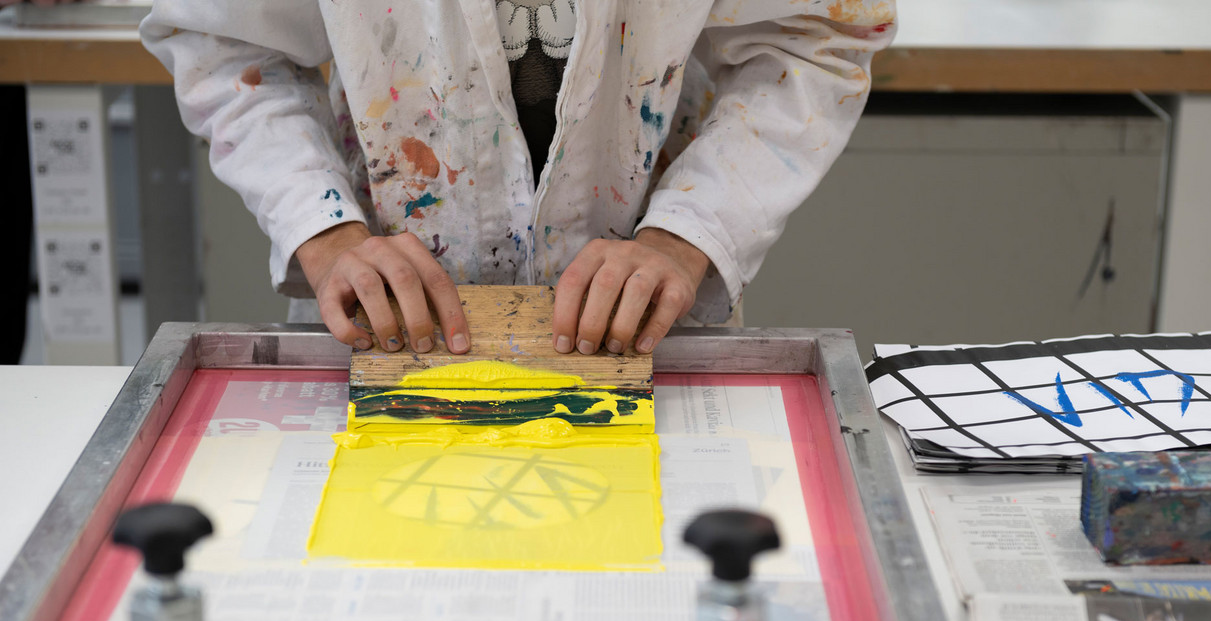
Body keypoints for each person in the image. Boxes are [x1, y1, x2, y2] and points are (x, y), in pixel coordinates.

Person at [141, 2, 896, 356]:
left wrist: (687, 236)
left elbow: (814, 40)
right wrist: (325, 229)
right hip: (386, 328)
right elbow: (224, 43)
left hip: (647, 336)